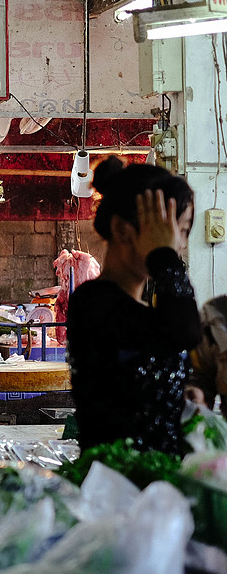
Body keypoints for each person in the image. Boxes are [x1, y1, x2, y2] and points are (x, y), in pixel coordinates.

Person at [67, 158, 200, 455]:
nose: (179, 243)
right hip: (119, 484)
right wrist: (163, 256)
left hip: (152, 484)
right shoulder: (93, 301)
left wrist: (176, 393)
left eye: (185, 231)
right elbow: (184, 331)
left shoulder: (138, 309)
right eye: (170, 230)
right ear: (123, 231)